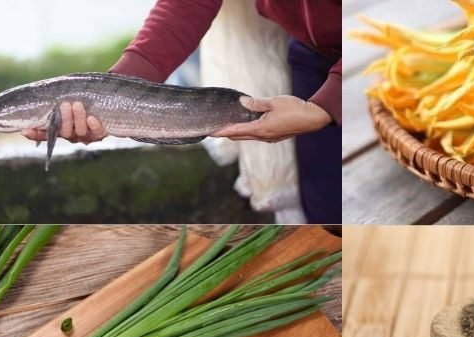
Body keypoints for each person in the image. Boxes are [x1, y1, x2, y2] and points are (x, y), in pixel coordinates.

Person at [22, 0, 341, 224]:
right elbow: (186, 5)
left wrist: (328, 102)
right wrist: (112, 92)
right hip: (311, 55)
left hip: (368, 56)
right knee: (325, 209)